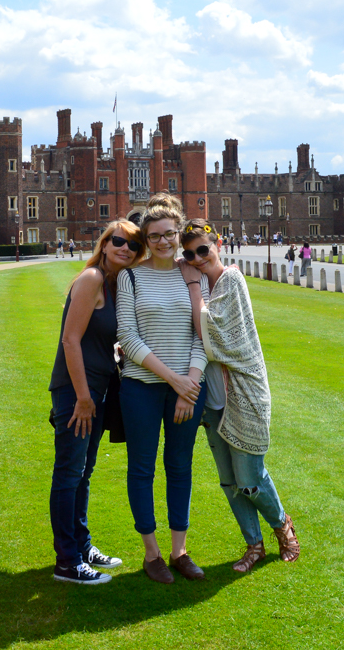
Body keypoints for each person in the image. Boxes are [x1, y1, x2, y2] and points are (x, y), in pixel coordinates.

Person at [180, 221, 300, 572]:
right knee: (230, 482)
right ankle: (254, 545)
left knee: (250, 479)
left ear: (218, 243)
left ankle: (282, 526)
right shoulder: (202, 284)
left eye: (203, 249)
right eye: (190, 253)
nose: (198, 257)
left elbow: (210, 331)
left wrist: (189, 284)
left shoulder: (230, 279)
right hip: (212, 400)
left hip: (244, 392)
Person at [117, 193, 208, 585]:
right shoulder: (130, 277)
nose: (163, 242)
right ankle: (152, 553)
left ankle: (179, 550)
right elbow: (128, 336)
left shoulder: (193, 275)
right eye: (154, 236)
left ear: (179, 233)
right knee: (142, 468)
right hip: (142, 387)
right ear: (145, 238)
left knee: (180, 466)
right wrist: (174, 380)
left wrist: (191, 381)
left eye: (170, 234)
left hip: (188, 387)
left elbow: (203, 335)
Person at [49, 218, 143, 585]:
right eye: (118, 241)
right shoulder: (90, 280)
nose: (125, 248)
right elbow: (70, 341)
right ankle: (67, 562)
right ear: (104, 244)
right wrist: (84, 398)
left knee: (83, 474)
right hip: (78, 390)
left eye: (133, 246)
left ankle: (82, 545)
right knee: (69, 472)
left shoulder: (115, 285)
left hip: (98, 387)